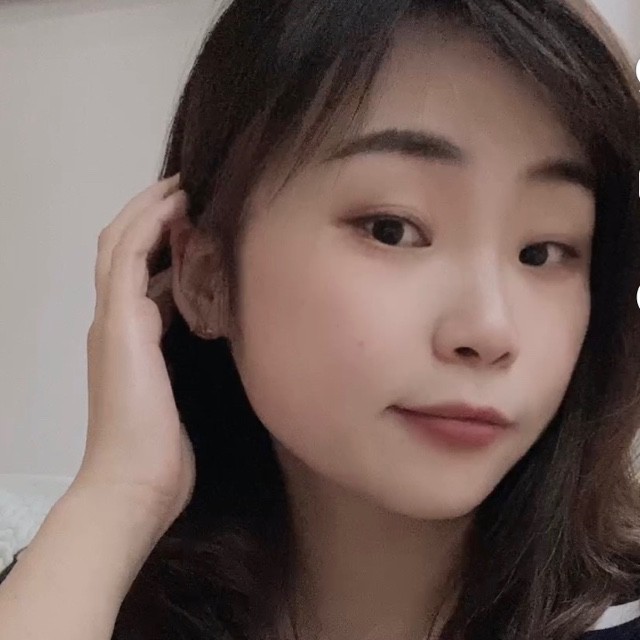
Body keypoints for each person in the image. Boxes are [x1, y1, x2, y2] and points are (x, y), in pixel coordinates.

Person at [1, 0, 639, 638]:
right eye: (391, 229)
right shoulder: (77, 591)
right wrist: (120, 495)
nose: (489, 331)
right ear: (205, 278)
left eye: (543, 252)